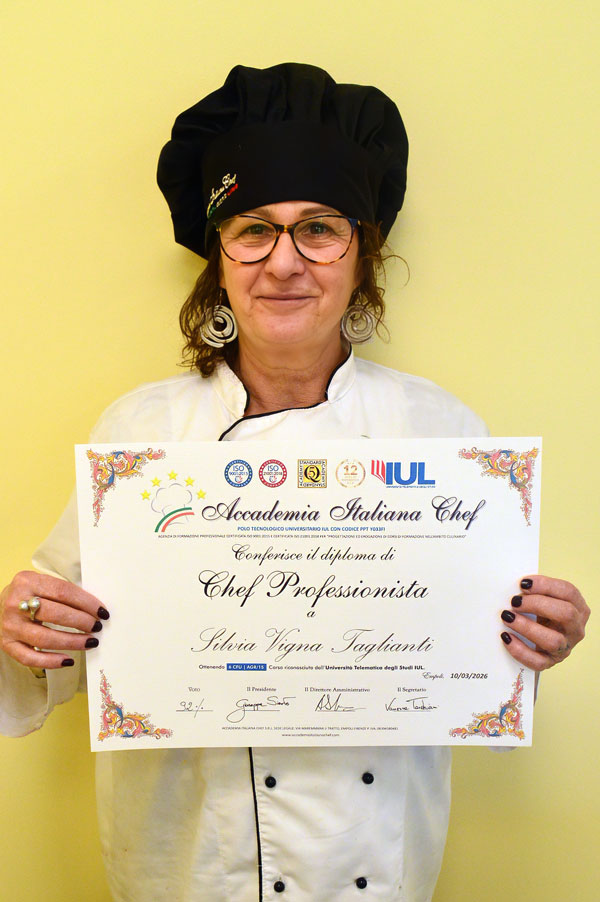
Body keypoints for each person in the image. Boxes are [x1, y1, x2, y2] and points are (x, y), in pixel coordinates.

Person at [0, 63, 589, 902]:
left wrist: (536, 637)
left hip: (376, 873)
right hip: (187, 871)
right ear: (219, 258)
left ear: (361, 256)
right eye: (253, 230)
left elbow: (471, 659)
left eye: (318, 229)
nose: (284, 263)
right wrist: (23, 630)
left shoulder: (442, 430)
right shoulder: (139, 433)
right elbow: (50, 658)